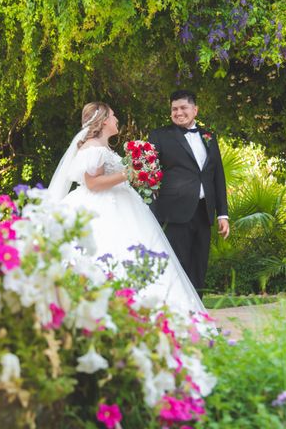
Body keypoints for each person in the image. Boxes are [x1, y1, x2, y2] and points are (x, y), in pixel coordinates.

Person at [48, 101, 204, 314]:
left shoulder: (103, 147)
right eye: (112, 115)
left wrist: (136, 175)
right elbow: (93, 183)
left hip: (123, 203)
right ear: (103, 121)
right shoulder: (92, 147)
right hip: (102, 209)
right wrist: (128, 174)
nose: (116, 119)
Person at [149, 90, 229, 297]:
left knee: (199, 267)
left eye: (183, 108)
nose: (178, 112)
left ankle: (198, 318)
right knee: (176, 267)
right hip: (174, 214)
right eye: (174, 109)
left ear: (195, 110)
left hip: (204, 212)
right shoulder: (159, 136)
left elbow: (217, 176)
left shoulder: (208, 136)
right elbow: (149, 175)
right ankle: (175, 317)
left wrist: (223, 214)